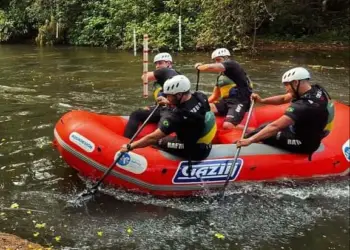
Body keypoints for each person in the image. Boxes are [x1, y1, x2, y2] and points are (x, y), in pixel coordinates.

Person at [237, 67, 334, 155]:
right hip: (305, 130)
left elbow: (275, 126)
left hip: (304, 143)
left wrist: (251, 140)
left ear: (296, 82)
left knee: (267, 134)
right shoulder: (316, 90)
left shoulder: (304, 106)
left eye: (287, 85)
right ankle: (243, 139)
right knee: (265, 125)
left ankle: (245, 145)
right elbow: (284, 98)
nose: (286, 89)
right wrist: (262, 100)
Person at [121, 75, 217, 161]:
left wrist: (130, 146)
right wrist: (169, 101)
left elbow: (152, 138)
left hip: (195, 151)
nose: (167, 97)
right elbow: (189, 108)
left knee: (158, 141)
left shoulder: (176, 117)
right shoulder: (200, 96)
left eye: (169, 95)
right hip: (204, 142)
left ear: (179, 95)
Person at [123, 52, 180, 139]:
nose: (157, 66)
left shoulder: (164, 71)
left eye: (160, 63)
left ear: (168, 63)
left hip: (168, 110)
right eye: (156, 63)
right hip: (172, 109)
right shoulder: (178, 74)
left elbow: (144, 77)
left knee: (136, 114)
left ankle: (125, 139)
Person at [195, 48, 253, 130]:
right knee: (202, 109)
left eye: (218, 60)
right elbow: (214, 96)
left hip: (240, 102)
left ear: (226, 58)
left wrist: (199, 67)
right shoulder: (220, 77)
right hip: (226, 102)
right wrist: (199, 105)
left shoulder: (232, 64)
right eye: (215, 60)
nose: (217, 62)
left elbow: (212, 67)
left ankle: (252, 130)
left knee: (227, 126)